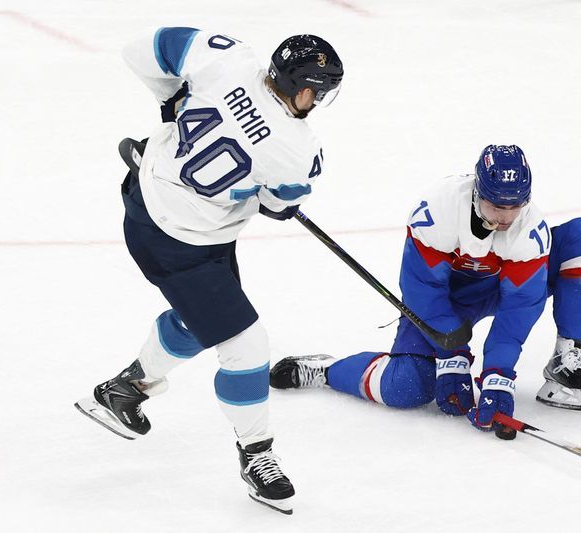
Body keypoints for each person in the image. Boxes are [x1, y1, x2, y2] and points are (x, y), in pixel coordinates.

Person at [74, 27, 344, 514]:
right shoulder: (297, 150)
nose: (319, 101)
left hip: (150, 198)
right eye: (319, 91)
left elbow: (143, 50)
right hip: (184, 244)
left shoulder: (230, 58)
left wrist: (170, 102)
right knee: (246, 346)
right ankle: (256, 453)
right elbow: (281, 207)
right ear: (303, 88)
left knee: (201, 322)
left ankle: (124, 389)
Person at [270, 145, 581, 434]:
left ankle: (566, 361)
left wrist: (498, 375)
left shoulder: (529, 230)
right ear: (478, 191)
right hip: (448, 298)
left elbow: (520, 307)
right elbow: (422, 290)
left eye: (514, 206)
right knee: (406, 388)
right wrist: (452, 354)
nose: (506, 216)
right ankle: (328, 371)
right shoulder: (439, 210)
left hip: (502, 287)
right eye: (497, 206)